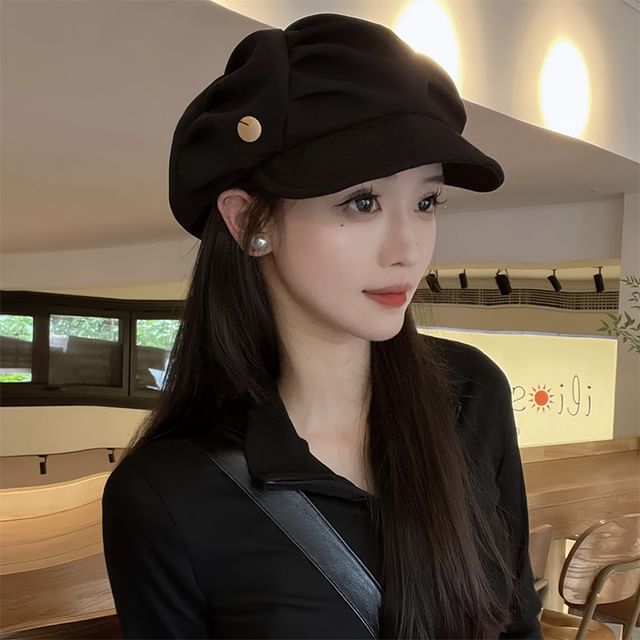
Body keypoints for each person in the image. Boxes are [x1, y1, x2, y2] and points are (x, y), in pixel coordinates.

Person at [101, 12, 543, 640]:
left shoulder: (469, 396)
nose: (408, 249)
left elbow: (518, 625)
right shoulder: (167, 494)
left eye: (425, 202)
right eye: (362, 202)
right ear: (249, 221)